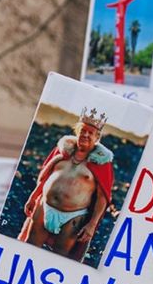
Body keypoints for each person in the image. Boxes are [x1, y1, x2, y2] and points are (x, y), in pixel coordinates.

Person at [17, 107, 113, 260]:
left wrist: (92, 224)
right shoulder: (63, 151)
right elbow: (46, 177)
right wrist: (33, 197)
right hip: (44, 206)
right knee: (29, 247)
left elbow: (103, 197)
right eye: (83, 131)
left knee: (59, 257)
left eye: (90, 133)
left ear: (97, 138)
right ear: (77, 132)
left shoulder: (101, 164)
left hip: (73, 216)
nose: (85, 135)